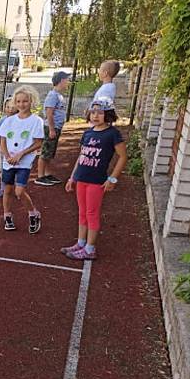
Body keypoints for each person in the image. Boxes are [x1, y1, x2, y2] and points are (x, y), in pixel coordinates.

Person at [62, 97, 127, 260]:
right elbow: (81, 156)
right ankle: (81, 242)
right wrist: (72, 177)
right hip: (82, 179)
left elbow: (123, 157)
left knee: (92, 213)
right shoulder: (88, 133)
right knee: (82, 212)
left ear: (108, 114)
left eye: (100, 113)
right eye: (93, 112)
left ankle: (90, 249)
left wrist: (112, 179)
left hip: (96, 181)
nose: (95, 116)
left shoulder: (113, 134)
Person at [0, 86, 45, 234]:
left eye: (25, 101)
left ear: (31, 101)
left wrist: (20, 155)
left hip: (23, 163)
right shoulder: (9, 120)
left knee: (19, 191)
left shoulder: (36, 121)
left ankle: (33, 213)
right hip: (8, 162)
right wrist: (7, 156)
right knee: (7, 190)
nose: (21, 104)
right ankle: (7, 216)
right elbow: (3, 141)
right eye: (18, 101)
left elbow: (38, 143)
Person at [36, 71, 70, 186]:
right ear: (61, 80)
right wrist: (51, 129)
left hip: (56, 127)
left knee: (50, 152)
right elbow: (49, 113)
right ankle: (40, 176)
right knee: (45, 151)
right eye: (66, 80)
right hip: (51, 127)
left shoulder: (58, 95)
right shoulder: (53, 95)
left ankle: (47, 173)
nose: (68, 82)